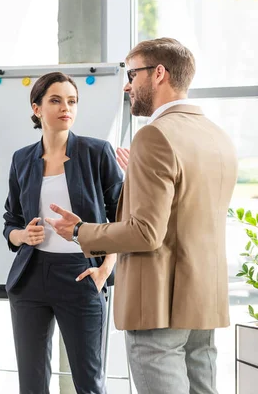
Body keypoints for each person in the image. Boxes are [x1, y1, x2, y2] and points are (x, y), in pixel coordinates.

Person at [47, 38, 238, 394]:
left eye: (133, 73)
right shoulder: (216, 135)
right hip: (202, 296)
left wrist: (80, 231)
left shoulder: (155, 135)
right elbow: (189, 207)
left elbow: (146, 233)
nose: (127, 84)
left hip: (158, 301)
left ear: (159, 74)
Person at [2, 71, 123, 394]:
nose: (65, 107)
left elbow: (123, 219)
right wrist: (21, 236)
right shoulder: (22, 159)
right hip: (31, 277)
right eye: (55, 100)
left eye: (71, 101)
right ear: (37, 108)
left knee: (88, 384)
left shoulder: (97, 153)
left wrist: (104, 270)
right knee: (31, 384)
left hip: (81, 276)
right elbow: (10, 221)